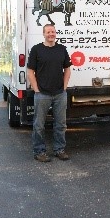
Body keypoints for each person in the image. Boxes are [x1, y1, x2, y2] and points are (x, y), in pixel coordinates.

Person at [27, 24, 72, 162]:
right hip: (42, 94)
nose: (51, 34)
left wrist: (64, 88)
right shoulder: (36, 50)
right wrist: (36, 90)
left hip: (59, 93)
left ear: (55, 33)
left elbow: (67, 69)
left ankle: (59, 150)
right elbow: (30, 71)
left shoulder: (61, 49)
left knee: (61, 124)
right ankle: (39, 151)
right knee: (39, 125)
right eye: (48, 32)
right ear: (44, 34)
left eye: (53, 31)